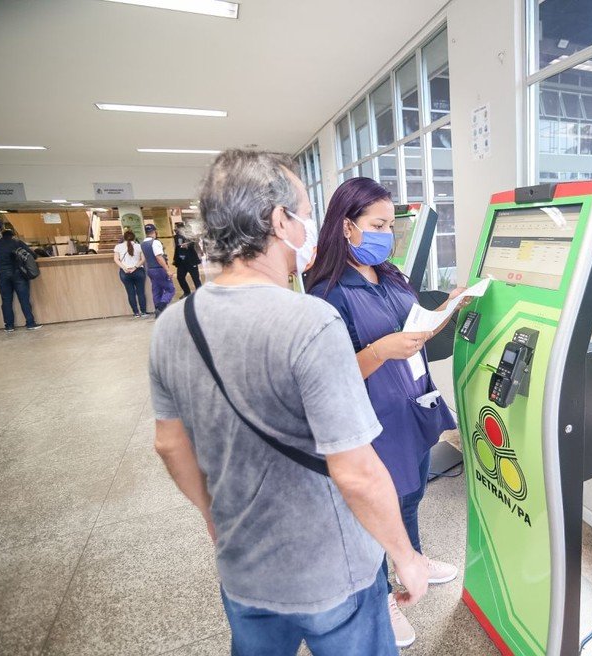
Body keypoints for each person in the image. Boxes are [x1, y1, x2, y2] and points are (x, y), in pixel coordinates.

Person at [151, 150, 426, 656]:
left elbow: (169, 444)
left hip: (243, 566)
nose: (308, 230)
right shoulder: (310, 321)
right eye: (302, 213)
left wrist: (215, 518)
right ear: (279, 221)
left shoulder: (173, 324)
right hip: (331, 570)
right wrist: (405, 555)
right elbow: (356, 471)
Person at [306, 177, 464, 648]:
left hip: (412, 404)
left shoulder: (391, 275)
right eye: (377, 224)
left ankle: (410, 560)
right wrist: (381, 350)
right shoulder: (327, 293)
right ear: (347, 226)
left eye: (391, 225)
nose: (386, 234)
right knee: (377, 510)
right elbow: (331, 373)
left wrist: (445, 312)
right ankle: (381, 598)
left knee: (412, 494)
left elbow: (409, 328)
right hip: (372, 419)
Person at [0, 228, 41, 332]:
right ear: (12, 235)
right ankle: (30, 323)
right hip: (18, 274)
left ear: (2, 235)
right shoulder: (17, 242)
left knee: (6, 300)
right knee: (24, 299)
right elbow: (32, 255)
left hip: (2, 275)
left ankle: (9, 326)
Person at [142, 224, 176, 317]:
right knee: (170, 289)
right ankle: (160, 308)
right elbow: (159, 257)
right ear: (155, 231)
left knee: (156, 290)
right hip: (159, 269)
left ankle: (158, 311)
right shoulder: (155, 242)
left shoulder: (143, 243)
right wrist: (167, 270)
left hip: (150, 269)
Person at [113, 230, 148, 317]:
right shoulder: (139, 246)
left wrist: (125, 268)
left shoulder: (118, 247)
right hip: (138, 271)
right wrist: (135, 267)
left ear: (123, 238)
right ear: (134, 237)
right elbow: (143, 259)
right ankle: (143, 312)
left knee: (130, 293)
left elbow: (116, 259)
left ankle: (136, 313)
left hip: (125, 273)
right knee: (141, 292)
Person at [173, 224, 202, 296]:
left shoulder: (189, 235)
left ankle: (200, 294)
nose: (175, 229)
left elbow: (194, 242)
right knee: (180, 277)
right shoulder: (176, 237)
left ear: (181, 229)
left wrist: (188, 245)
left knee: (195, 278)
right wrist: (175, 259)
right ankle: (187, 292)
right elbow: (177, 248)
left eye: (176, 228)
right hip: (181, 262)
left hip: (191, 261)